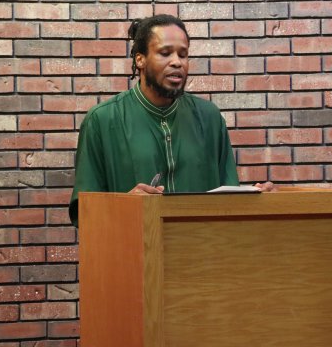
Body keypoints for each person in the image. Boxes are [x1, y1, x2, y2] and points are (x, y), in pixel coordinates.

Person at [69, 14, 272, 226]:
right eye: (165, 53)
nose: (177, 62)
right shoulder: (102, 121)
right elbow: (84, 213)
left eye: (183, 55)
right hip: (132, 252)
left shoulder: (209, 118)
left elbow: (230, 199)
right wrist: (125, 204)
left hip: (202, 251)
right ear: (140, 59)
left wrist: (261, 198)